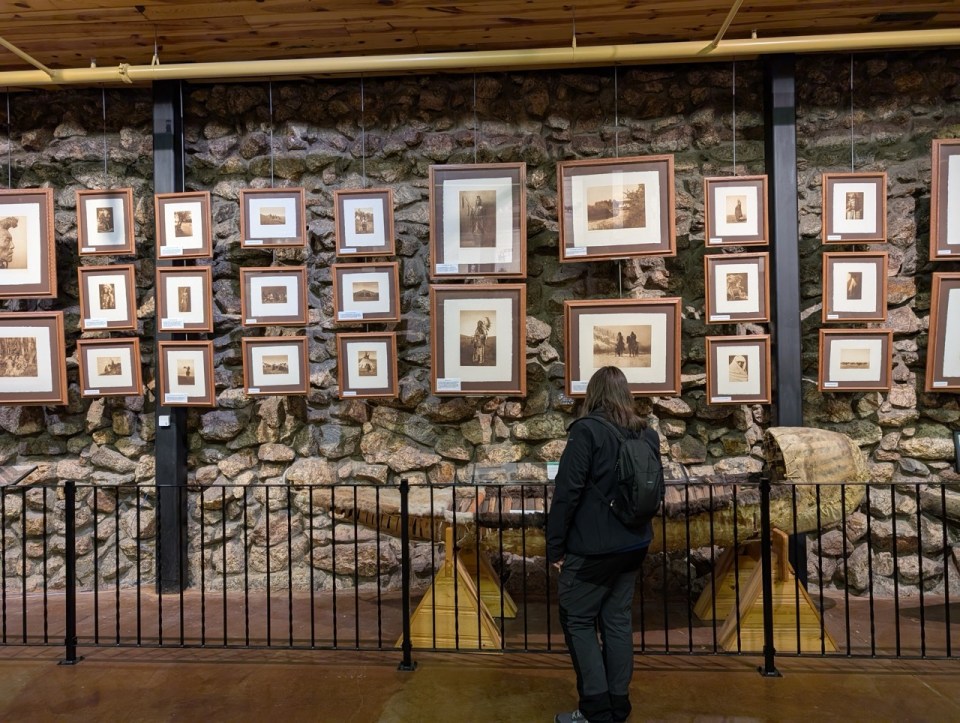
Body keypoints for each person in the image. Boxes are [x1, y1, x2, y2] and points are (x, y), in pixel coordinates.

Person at [547, 366, 660, 723]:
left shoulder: (586, 432)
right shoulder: (647, 435)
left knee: (577, 620)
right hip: (634, 544)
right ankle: (618, 705)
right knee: (616, 621)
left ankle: (595, 710)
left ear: (592, 394)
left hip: (593, 549)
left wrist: (555, 548)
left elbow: (566, 494)